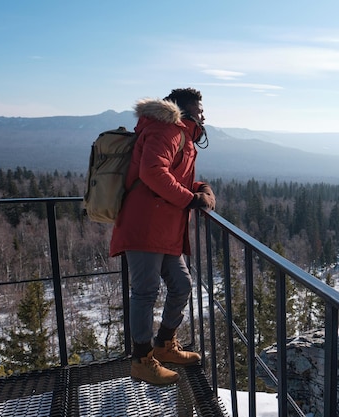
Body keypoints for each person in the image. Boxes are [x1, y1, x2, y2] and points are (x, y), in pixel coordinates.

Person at [109, 88, 216, 385]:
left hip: (164, 227)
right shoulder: (167, 130)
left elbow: (174, 174)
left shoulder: (179, 134)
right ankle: (142, 360)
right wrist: (190, 200)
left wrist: (201, 186)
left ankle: (164, 344)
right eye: (198, 109)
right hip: (145, 225)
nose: (203, 114)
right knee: (145, 292)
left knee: (182, 284)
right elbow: (153, 172)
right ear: (183, 111)